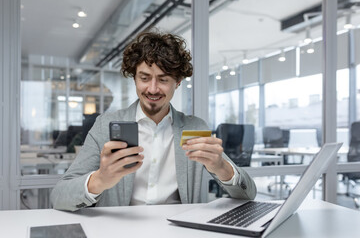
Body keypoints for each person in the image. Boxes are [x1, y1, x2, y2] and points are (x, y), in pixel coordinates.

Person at [50, 30, 256, 211]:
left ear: (178, 82)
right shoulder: (106, 125)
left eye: (164, 79)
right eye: (145, 78)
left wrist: (221, 167)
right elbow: (59, 197)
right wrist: (99, 180)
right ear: (134, 78)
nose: (153, 89)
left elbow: (248, 193)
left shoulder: (195, 127)